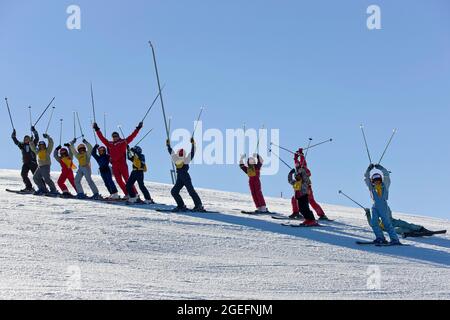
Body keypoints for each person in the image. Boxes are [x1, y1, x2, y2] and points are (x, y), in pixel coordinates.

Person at [93, 122, 142, 197]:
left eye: (116, 136)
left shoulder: (123, 142)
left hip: (122, 165)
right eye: (113, 136)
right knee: (119, 181)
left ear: (118, 136)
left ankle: (135, 194)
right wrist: (97, 129)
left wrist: (138, 128)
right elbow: (102, 138)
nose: (115, 137)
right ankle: (127, 194)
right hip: (115, 166)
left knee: (127, 180)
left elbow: (132, 136)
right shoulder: (110, 144)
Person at [364, 164, 401, 245]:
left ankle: (395, 239)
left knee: (386, 223)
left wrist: (380, 168)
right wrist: (368, 169)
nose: (377, 181)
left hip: (383, 206)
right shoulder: (371, 187)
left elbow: (386, 175)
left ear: (381, 180)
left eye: (378, 179)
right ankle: (380, 238)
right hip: (375, 206)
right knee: (374, 223)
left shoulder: (385, 186)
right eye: (375, 180)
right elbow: (366, 178)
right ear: (372, 181)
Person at [166, 138, 204, 212]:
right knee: (174, 191)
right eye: (180, 154)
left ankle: (198, 205)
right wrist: (168, 146)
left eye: (181, 154)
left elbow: (192, 153)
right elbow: (171, 152)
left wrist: (193, 144)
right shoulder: (177, 159)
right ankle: (181, 205)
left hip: (185, 177)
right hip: (180, 177)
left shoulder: (184, 160)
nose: (180, 155)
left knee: (189, 191)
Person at [294, 148, 329, 220]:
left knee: (311, 201)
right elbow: (297, 163)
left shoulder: (304, 168)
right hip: (300, 188)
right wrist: (295, 158)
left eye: (298, 164)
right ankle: (296, 213)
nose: (296, 165)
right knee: (294, 199)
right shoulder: (298, 169)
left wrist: (301, 155)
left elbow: (304, 163)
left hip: (306, 188)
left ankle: (322, 215)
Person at [11, 126, 40, 192]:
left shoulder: (33, 144)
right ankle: (29, 187)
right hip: (26, 163)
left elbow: (37, 138)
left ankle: (43, 188)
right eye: (25, 139)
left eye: (27, 139)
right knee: (23, 174)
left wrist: (34, 131)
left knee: (36, 176)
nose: (26, 140)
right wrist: (13, 136)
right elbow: (16, 142)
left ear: (30, 139)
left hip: (33, 162)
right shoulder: (22, 145)